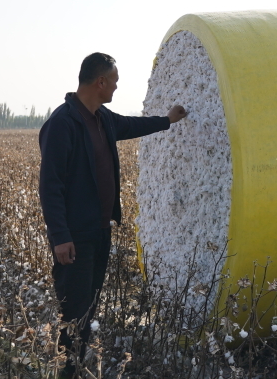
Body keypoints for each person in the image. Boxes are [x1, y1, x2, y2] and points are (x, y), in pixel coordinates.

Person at [39, 52, 187, 378]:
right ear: (100, 82)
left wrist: (167, 120)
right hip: (75, 238)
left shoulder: (102, 118)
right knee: (74, 311)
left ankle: (76, 367)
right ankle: (67, 371)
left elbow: (132, 125)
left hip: (99, 233)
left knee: (88, 306)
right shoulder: (62, 124)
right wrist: (60, 237)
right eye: (115, 81)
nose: (117, 87)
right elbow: (50, 186)